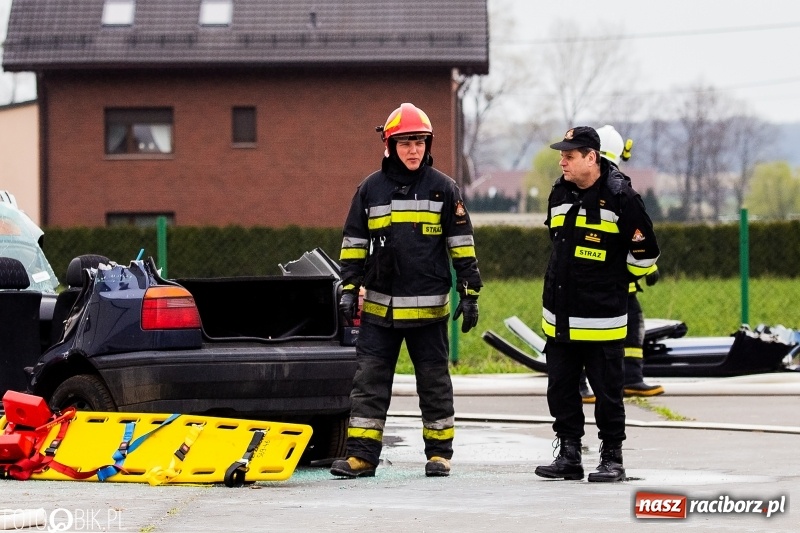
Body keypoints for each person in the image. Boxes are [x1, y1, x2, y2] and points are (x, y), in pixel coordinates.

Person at [330, 103, 482, 479]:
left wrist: (470, 293)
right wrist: (349, 288)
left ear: (427, 145)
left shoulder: (444, 189)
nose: (414, 150)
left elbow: (462, 246)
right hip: (379, 311)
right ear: (389, 145)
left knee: (434, 384)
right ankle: (362, 457)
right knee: (369, 383)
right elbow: (353, 244)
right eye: (405, 143)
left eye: (419, 142)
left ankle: (439, 455)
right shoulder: (370, 190)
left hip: (429, 313)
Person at [535, 126, 659, 483]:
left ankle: (612, 458)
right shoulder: (559, 192)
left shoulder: (623, 198)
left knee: (608, 394)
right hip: (560, 318)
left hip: (603, 321)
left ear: (592, 157)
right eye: (562, 156)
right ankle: (569, 455)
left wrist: (611, 281)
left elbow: (645, 256)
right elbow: (558, 244)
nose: (562, 162)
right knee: (561, 389)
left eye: (569, 156)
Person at [596, 125, 664, 397]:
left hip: (615, 277)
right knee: (608, 327)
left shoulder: (602, 189)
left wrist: (648, 265)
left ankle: (630, 377)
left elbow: (629, 236)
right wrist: (648, 266)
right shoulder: (617, 190)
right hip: (606, 277)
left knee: (630, 321)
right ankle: (621, 378)